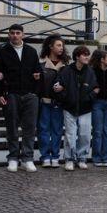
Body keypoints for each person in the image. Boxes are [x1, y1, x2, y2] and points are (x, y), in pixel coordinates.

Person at [0, 24, 42, 173]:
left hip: (30, 95)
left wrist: (36, 91)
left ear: (23, 35)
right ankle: (13, 158)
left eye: (18, 33)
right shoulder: (2, 52)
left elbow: (37, 71)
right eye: (12, 33)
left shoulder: (31, 51)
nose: (15, 35)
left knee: (30, 128)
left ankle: (27, 158)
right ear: (9, 35)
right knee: (12, 127)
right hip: (11, 94)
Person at [55, 45, 97, 171]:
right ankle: (69, 159)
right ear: (77, 57)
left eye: (88, 55)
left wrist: (89, 97)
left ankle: (82, 158)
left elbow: (96, 87)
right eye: (84, 55)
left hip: (86, 108)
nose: (87, 57)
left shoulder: (90, 71)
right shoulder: (67, 70)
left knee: (85, 134)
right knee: (70, 135)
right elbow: (58, 86)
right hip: (70, 107)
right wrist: (66, 97)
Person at [37, 35, 68, 168]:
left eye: (62, 46)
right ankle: (45, 156)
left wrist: (63, 87)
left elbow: (70, 83)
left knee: (57, 130)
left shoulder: (66, 65)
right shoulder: (41, 64)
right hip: (44, 102)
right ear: (50, 46)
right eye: (58, 45)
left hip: (59, 103)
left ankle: (55, 156)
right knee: (43, 130)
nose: (61, 48)